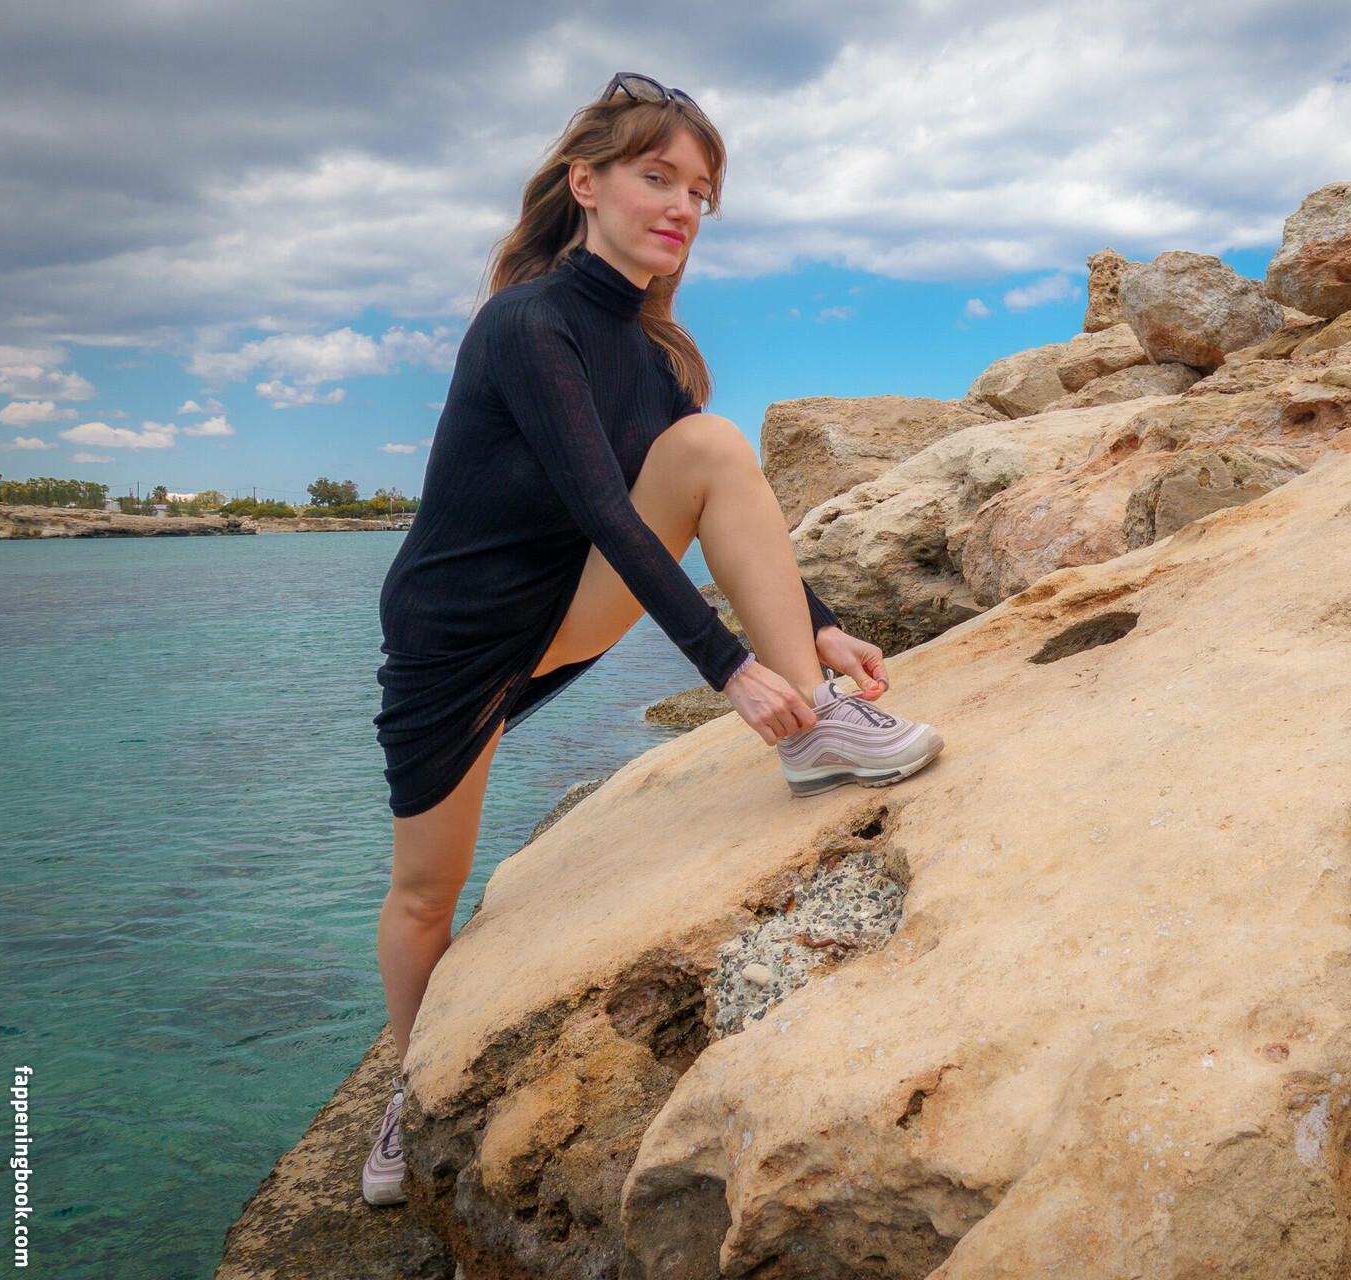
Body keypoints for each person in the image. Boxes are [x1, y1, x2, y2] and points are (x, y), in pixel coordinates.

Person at [359, 72, 944, 1206]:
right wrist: (728, 669)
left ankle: (818, 730)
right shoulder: (526, 324)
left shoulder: (658, 353)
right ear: (586, 183)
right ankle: (405, 1090)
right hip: (451, 637)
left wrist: (818, 629)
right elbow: (602, 507)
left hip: (563, 601)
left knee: (712, 443)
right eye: (656, 177)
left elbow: (711, 500)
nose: (681, 207)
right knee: (427, 891)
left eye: (699, 193)